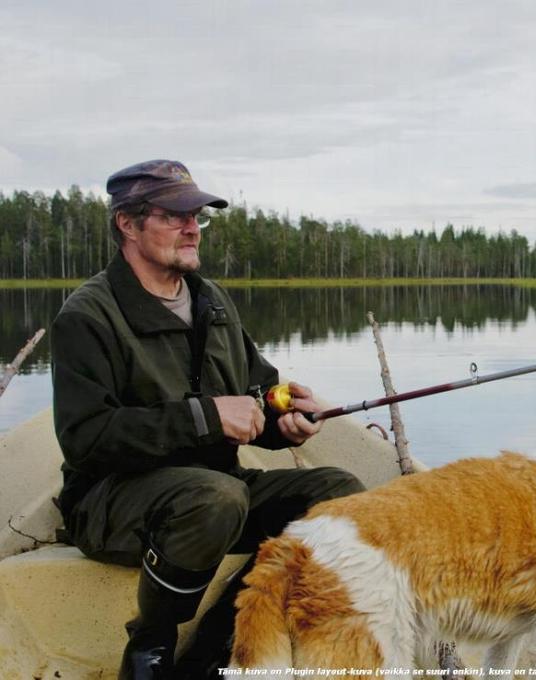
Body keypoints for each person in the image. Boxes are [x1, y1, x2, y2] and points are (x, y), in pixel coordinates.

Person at [50, 160, 365, 679]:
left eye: (196, 215)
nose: (192, 227)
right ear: (127, 225)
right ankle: (150, 646)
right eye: (174, 216)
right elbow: (86, 441)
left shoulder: (211, 301)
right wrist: (206, 418)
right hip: (111, 502)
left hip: (218, 490)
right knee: (215, 497)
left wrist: (284, 418)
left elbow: (258, 394)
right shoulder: (88, 316)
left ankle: (220, 646)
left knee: (339, 495)